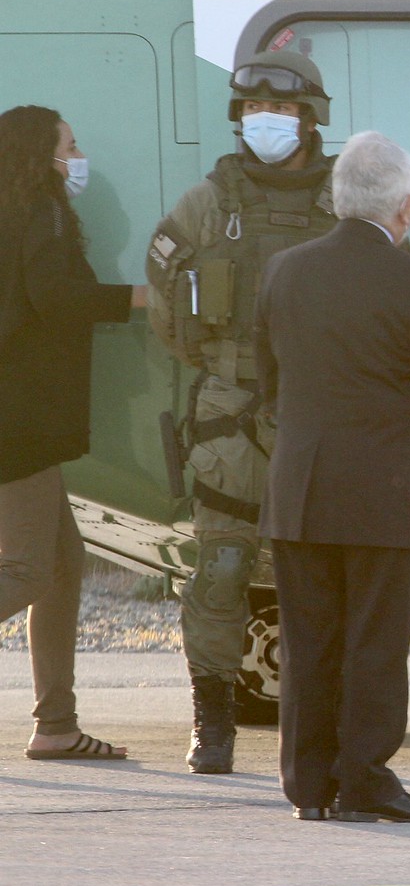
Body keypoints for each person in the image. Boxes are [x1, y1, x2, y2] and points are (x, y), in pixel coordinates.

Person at [255, 132, 410, 822]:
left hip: (301, 487)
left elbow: (268, 386)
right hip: (386, 489)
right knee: (373, 643)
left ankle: (309, 786)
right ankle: (367, 781)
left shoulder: (284, 271)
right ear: (405, 209)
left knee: (308, 639)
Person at [145, 50, 337, 774]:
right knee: (222, 567)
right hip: (232, 405)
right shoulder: (208, 202)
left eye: (283, 110)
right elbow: (167, 300)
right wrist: (222, 366)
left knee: (315, 570)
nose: (268, 120)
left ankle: (322, 715)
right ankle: (214, 719)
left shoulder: (343, 199)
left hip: (318, 405)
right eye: (256, 107)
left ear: (310, 117)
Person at [0, 106, 146, 762]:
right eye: (71, 145)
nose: (77, 155)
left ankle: (56, 724)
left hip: (22, 414)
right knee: (30, 570)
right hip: (21, 418)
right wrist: (137, 299)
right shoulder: (44, 210)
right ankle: (55, 721)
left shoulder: (12, 211)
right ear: (42, 155)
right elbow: (55, 294)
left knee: (63, 563)